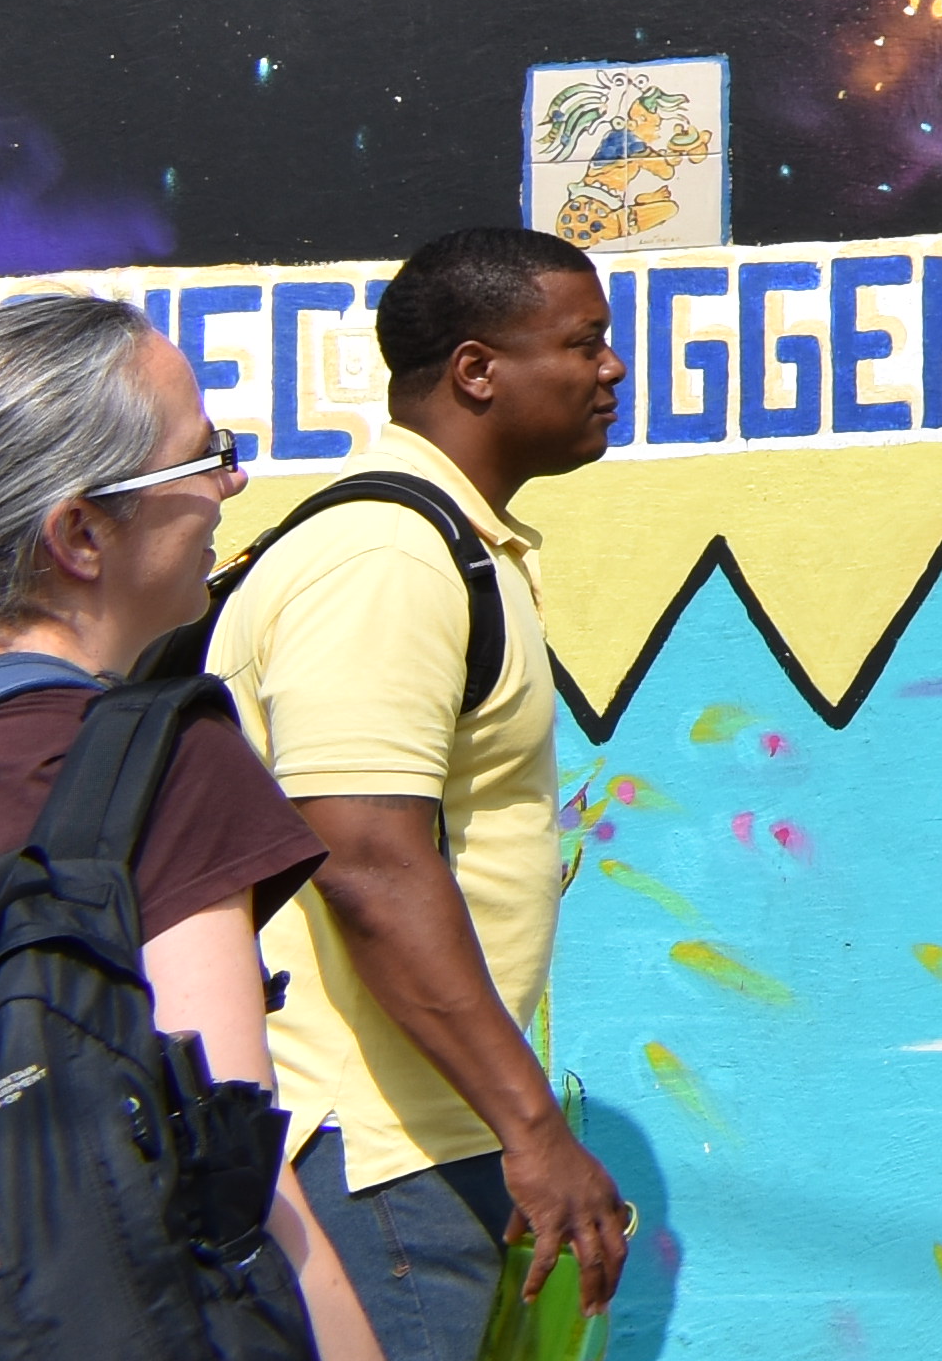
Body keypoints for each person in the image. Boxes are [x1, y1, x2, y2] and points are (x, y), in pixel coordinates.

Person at [0, 296, 380, 1361]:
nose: (232, 484)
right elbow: (231, 1180)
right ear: (79, 534)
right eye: (204, 457)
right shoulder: (161, 765)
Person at [210, 232, 629, 1361]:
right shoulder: (387, 559)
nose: (611, 368)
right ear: (477, 370)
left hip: (416, 1136)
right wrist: (532, 1126)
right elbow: (365, 863)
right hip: (375, 1149)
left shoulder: (448, 543)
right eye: (582, 342)